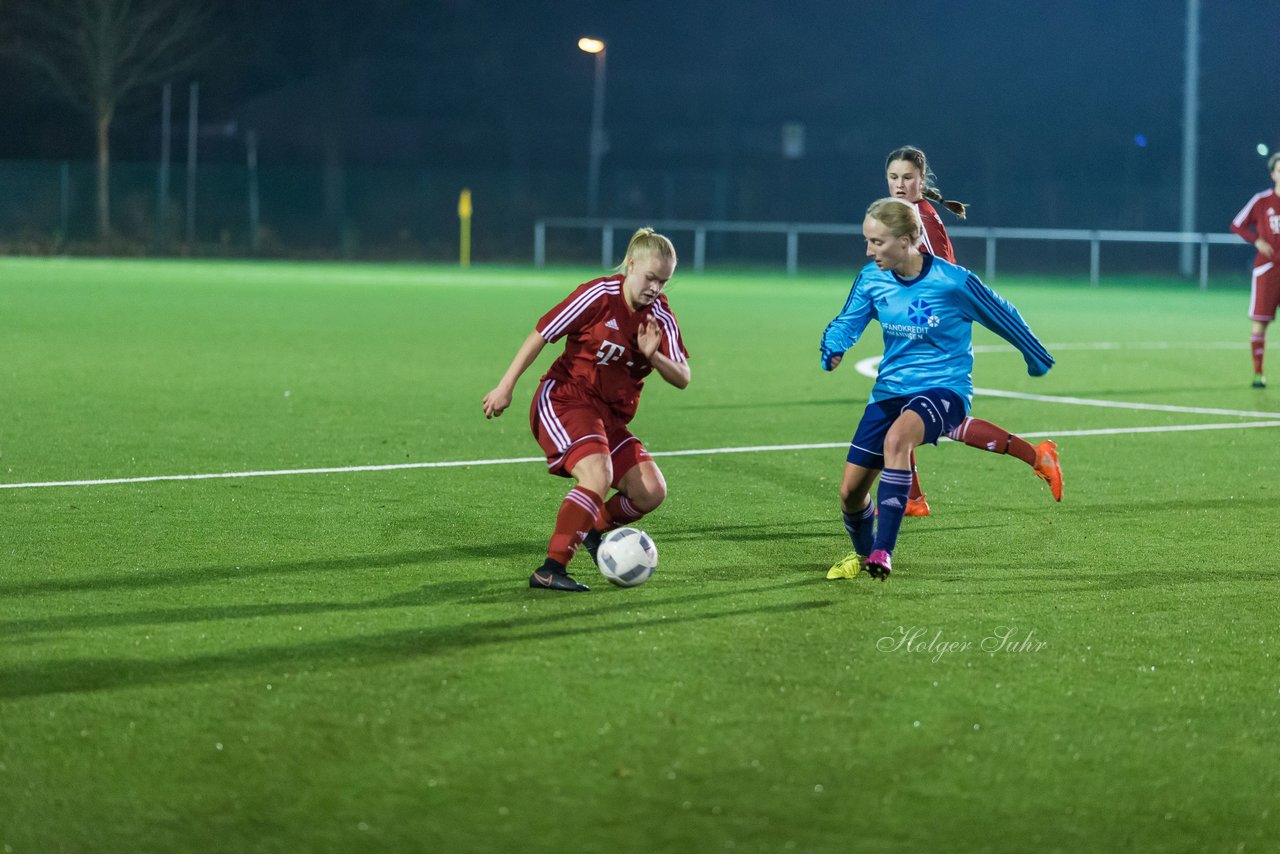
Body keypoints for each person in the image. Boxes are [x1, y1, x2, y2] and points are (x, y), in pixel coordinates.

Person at [820, 198, 1054, 580]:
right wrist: (834, 347)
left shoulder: (953, 281)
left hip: (945, 389)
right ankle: (865, 556)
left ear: (909, 239)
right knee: (849, 494)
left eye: (878, 242)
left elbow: (1003, 315)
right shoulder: (871, 278)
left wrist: (1035, 356)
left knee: (898, 441)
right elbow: (849, 320)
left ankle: (883, 550)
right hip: (891, 391)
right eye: (867, 241)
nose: (869, 250)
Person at [482, 227, 690, 591]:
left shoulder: (660, 318)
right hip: (566, 398)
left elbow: (683, 377)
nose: (656, 288)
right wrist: (506, 386)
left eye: (664, 281)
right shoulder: (598, 295)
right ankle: (551, 569)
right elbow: (542, 334)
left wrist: (653, 356)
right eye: (651, 277)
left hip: (609, 417)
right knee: (598, 475)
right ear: (630, 265)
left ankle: (593, 529)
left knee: (651, 491)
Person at [884, 145, 1062, 517]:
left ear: (921, 179)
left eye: (908, 178)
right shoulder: (902, 217)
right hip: (919, 326)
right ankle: (913, 499)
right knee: (902, 408)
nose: (900, 185)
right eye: (893, 178)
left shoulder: (921, 218)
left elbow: (950, 280)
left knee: (935, 418)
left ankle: (1038, 457)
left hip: (935, 332)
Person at [1229, 152, 1280, 389]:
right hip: (1268, 270)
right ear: (1273, 174)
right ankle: (1258, 373)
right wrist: (1257, 240)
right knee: (1260, 322)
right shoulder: (1261, 201)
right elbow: (1237, 225)